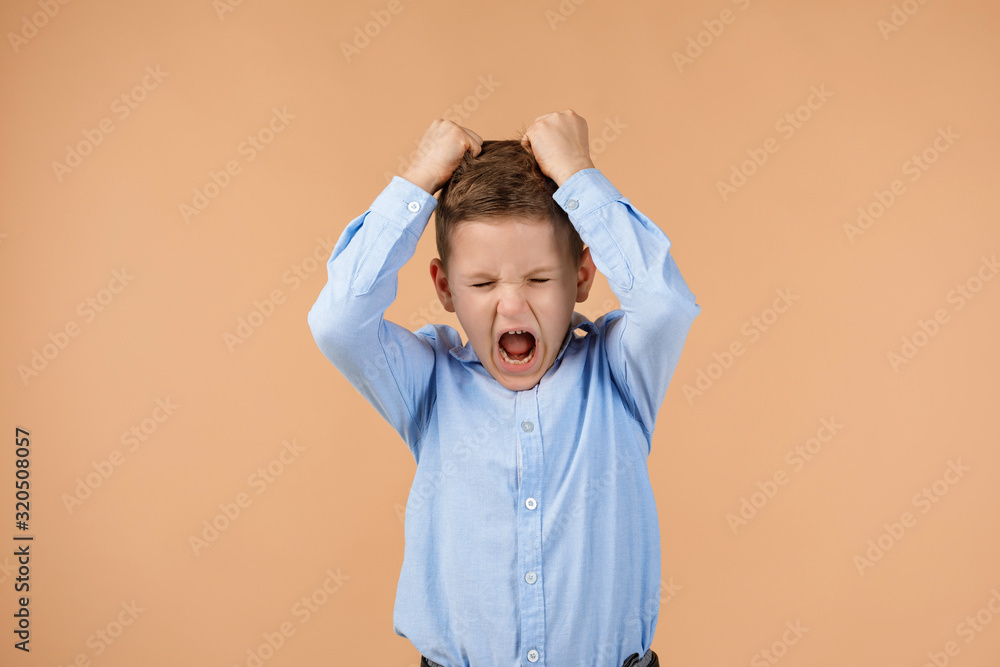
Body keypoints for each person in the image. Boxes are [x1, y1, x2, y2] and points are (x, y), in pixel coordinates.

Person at [307, 109, 700, 667]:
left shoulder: (618, 372)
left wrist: (578, 173)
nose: (512, 304)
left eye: (539, 278)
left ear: (583, 277)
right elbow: (338, 321)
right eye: (482, 282)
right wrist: (419, 179)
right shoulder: (430, 382)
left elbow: (664, 304)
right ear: (444, 287)